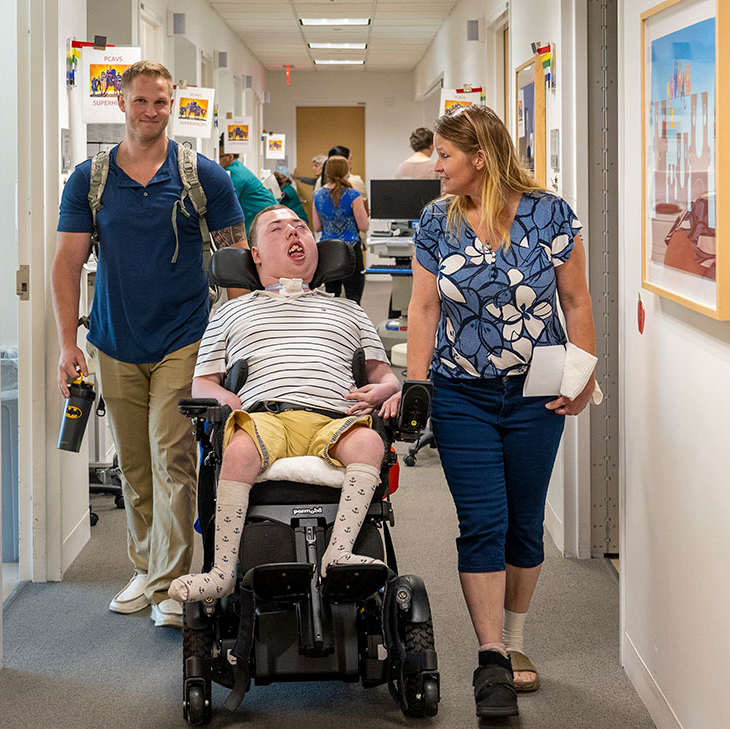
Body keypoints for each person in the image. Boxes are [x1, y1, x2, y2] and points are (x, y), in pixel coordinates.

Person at [406, 104, 598, 717]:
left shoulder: (550, 214)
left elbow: (577, 301)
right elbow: (424, 310)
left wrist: (584, 376)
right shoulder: (436, 222)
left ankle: (516, 643)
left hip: (536, 392)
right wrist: (416, 386)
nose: (435, 165)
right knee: (482, 521)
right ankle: (491, 658)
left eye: (445, 155)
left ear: (480, 158)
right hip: (461, 392)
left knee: (522, 521)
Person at [53, 60, 249, 629]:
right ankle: (146, 564)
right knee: (135, 466)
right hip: (114, 341)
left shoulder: (202, 176)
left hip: (184, 338)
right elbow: (67, 263)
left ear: (172, 105)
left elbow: (235, 262)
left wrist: (238, 347)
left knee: (172, 456)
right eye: (141, 101)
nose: (151, 112)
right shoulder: (89, 179)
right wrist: (69, 344)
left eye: (161, 102)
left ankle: (170, 584)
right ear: (122, 103)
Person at [169, 204, 402, 608]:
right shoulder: (230, 312)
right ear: (255, 255)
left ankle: (340, 552)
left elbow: (384, 375)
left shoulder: (348, 310)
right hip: (265, 416)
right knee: (238, 448)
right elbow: (203, 382)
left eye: (300, 227)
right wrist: (225, 399)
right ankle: (222, 571)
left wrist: (388, 389)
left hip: (335, 415)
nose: (294, 233)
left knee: (370, 446)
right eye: (277, 229)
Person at [310, 156, 370, 303]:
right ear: (346, 171)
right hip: (350, 251)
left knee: (331, 296)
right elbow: (364, 226)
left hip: (328, 251)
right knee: (353, 297)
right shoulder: (353, 195)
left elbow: (317, 227)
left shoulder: (318, 195)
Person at [218, 134, 280, 238]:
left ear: (230, 157)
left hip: (269, 219)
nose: (217, 161)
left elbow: (225, 204)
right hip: (268, 216)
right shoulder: (237, 168)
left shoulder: (235, 174)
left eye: (219, 157)